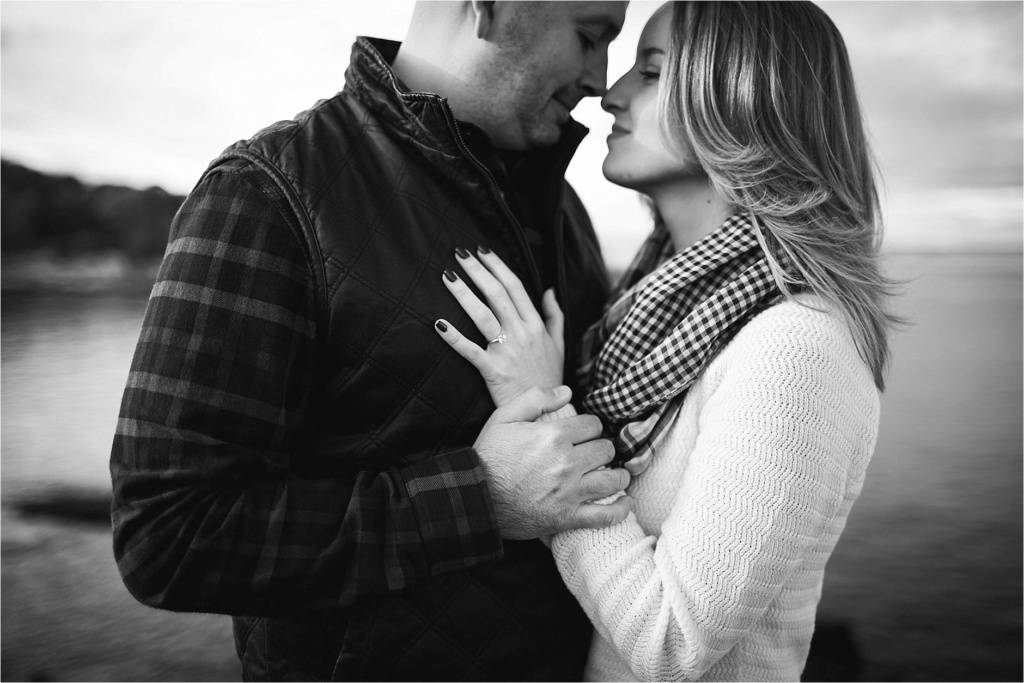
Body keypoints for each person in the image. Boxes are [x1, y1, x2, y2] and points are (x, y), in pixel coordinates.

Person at [109, 2, 632, 680]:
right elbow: (168, 538)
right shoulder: (268, 193)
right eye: (592, 37)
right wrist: (481, 496)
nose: (601, 77)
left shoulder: (565, 212)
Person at [434, 2, 900, 680]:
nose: (610, 95)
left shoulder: (798, 346)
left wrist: (546, 415)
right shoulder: (654, 301)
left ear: (740, 98)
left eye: (651, 72)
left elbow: (672, 642)